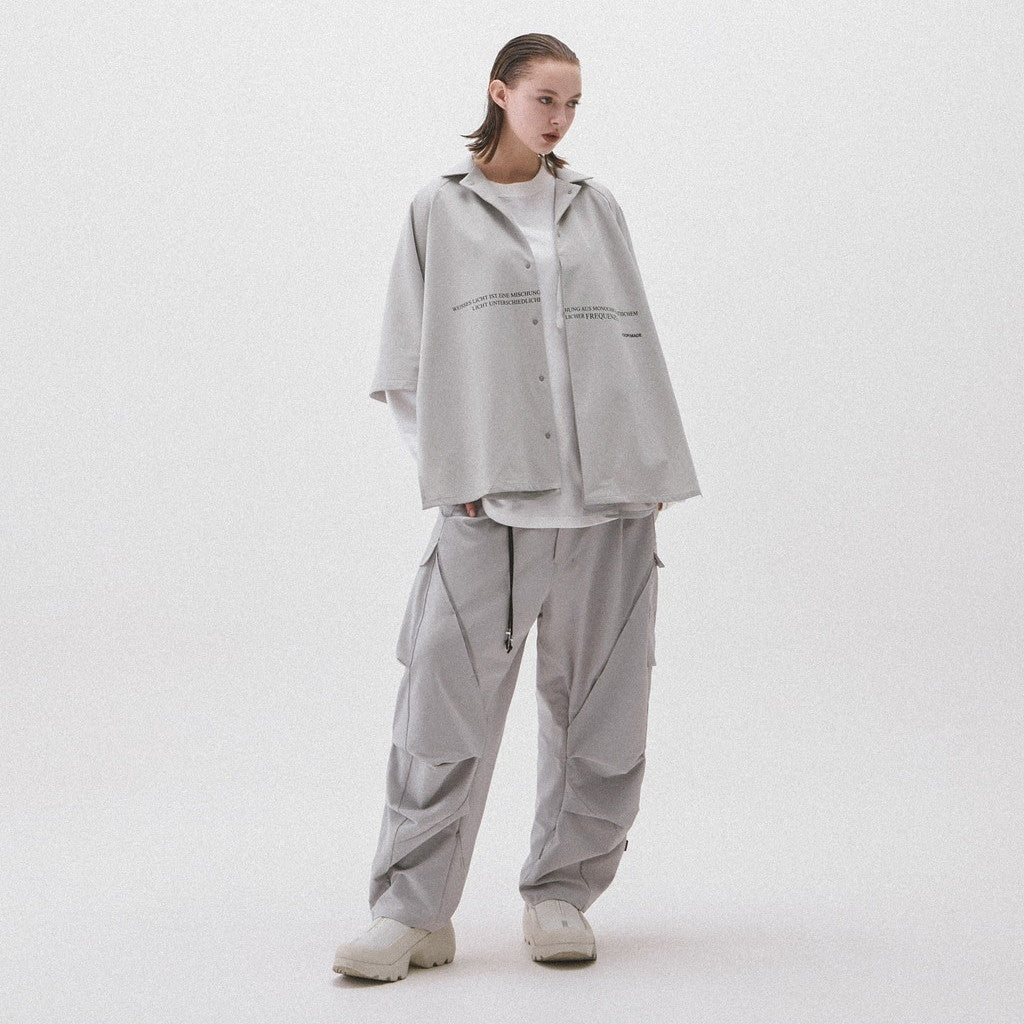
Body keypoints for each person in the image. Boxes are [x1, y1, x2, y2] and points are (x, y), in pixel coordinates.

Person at [333, 32, 700, 982]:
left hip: (611, 508)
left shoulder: (595, 206)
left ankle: (561, 894)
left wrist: (648, 464)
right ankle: (412, 913)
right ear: (499, 94)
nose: (560, 118)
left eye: (573, 103)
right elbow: (406, 358)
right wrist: (448, 476)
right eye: (545, 99)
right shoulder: (440, 209)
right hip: (491, 509)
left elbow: (635, 341)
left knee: (602, 717)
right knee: (441, 714)